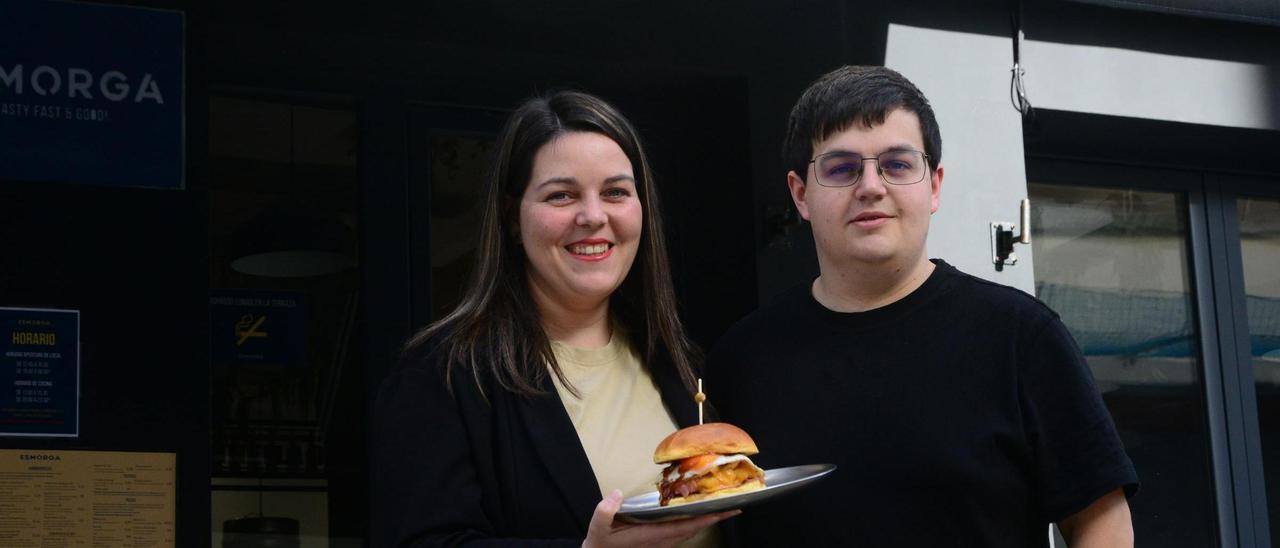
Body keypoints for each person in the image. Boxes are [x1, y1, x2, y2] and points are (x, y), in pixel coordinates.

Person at [706, 66, 1138, 546]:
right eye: (841, 168)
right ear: (801, 194)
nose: (871, 186)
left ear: (933, 185)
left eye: (897, 163)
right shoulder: (741, 360)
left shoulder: (1020, 337)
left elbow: (1103, 523)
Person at [372, 90, 736, 548]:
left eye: (615, 192)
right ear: (511, 218)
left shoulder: (675, 361)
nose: (593, 216)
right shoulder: (442, 374)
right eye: (561, 195)